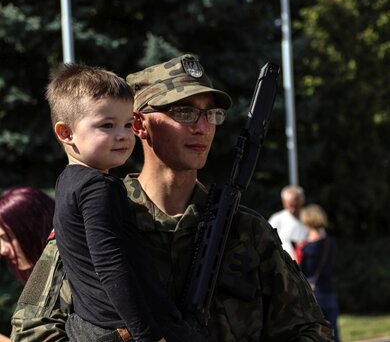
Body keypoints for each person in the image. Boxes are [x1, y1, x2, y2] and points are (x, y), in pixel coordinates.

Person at [11, 54, 334, 341]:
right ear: (139, 124)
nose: (203, 127)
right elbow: (30, 329)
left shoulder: (247, 231)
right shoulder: (95, 213)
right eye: (184, 112)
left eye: (211, 114)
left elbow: (310, 329)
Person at [46, 63, 207, 342]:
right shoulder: (99, 188)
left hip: (93, 326)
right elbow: (111, 264)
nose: (122, 135)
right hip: (123, 330)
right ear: (65, 133)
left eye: (126, 124)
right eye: (106, 126)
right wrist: (146, 334)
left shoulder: (67, 182)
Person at [0, 186, 54, 342]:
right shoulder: (41, 274)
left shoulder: (64, 271)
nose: (3, 250)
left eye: (7, 238)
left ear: (31, 229)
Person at [295, 204, 340, 342]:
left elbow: (299, 272)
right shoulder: (330, 243)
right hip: (328, 293)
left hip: (310, 296)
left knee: (313, 336)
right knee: (333, 334)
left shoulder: (304, 247)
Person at [268, 185, 308, 259]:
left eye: (296, 202)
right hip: (284, 265)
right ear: (284, 202)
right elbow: (268, 241)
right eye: (289, 204)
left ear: (302, 200)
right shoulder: (277, 219)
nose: (293, 207)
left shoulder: (310, 218)